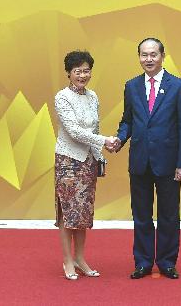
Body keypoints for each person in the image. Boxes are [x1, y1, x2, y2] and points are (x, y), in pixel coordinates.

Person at [108, 37, 181, 280]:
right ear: (139, 58)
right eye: (144, 55)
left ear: (162, 56)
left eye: (153, 54)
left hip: (168, 163)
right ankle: (143, 262)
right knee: (141, 215)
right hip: (140, 161)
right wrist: (120, 139)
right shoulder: (131, 86)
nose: (149, 59)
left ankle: (166, 262)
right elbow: (128, 120)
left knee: (168, 215)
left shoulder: (178, 86)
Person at [54, 50, 117, 280]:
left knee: (82, 213)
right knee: (67, 213)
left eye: (86, 70)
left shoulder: (93, 96)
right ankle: (67, 260)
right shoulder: (62, 97)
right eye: (77, 71)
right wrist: (103, 140)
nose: (82, 75)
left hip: (88, 162)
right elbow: (74, 131)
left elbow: (94, 130)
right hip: (68, 161)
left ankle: (80, 258)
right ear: (69, 73)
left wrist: (100, 153)